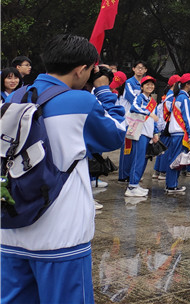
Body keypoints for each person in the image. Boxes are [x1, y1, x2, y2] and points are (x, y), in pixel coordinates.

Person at [0, 34, 126, 304]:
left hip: (10, 230)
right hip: (61, 237)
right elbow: (116, 134)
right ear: (81, 69)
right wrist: (103, 89)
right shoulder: (80, 103)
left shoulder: (13, 97)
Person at [125, 76, 158, 198]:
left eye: (152, 84)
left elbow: (154, 120)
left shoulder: (152, 101)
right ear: (142, 87)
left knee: (143, 160)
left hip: (148, 133)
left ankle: (136, 184)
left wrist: (155, 133)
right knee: (138, 159)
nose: (150, 86)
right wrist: (148, 112)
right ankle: (131, 187)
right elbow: (134, 108)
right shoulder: (139, 98)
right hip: (140, 133)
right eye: (147, 84)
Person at [164, 73, 190, 193]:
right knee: (176, 159)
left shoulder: (177, 96)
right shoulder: (184, 98)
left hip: (174, 132)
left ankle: (171, 184)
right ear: (187, 84)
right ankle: (172, 185)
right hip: (180, 132)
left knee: (173, 158)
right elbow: (187, 117)